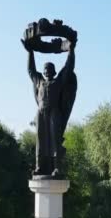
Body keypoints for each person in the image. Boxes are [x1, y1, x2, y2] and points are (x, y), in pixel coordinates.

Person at [22, 38, 76, 176]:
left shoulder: (58, 82)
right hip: (41, 112)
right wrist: (30, 52)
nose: (46, 71)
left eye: (49, 69)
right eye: (45, 69)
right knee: (40, 140)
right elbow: (30, 70)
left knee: (55, 140)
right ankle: (39, 166)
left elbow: (69, 67)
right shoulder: (39, 81)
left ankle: (56, 167)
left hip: (54, 112)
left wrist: (71, 50)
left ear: (54, 71)